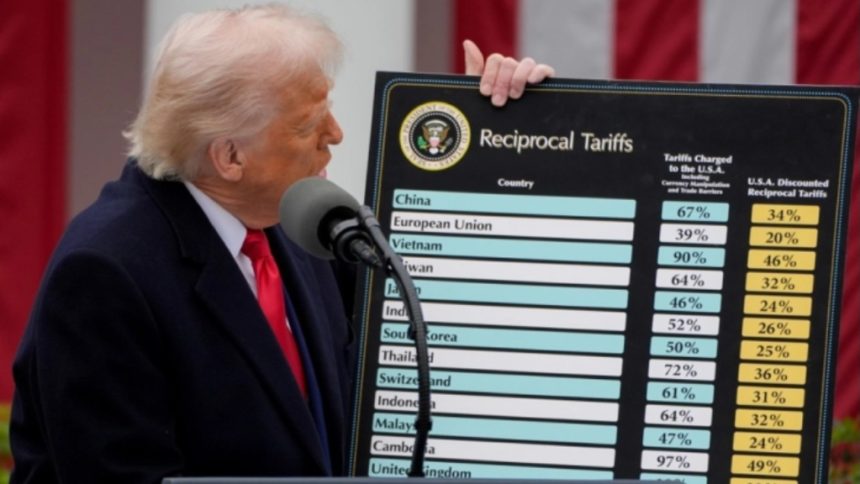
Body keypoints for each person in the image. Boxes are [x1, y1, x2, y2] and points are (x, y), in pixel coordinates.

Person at [9, 4, 554, 483]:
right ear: (230, 157)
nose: (335, 133)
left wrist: (487, 143)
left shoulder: (297, 221)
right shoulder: (104, 274)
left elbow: (420, 322)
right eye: (308, 123)